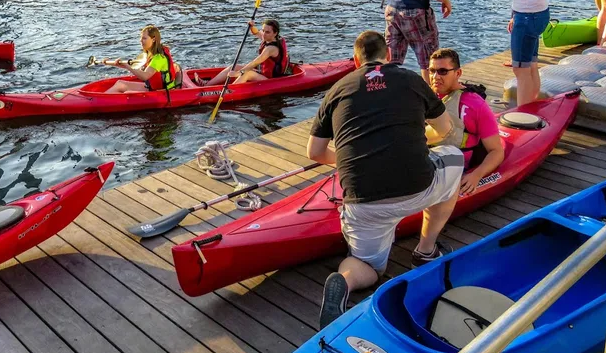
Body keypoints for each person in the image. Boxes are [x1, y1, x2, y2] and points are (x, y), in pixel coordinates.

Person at [307, 31, 463, 328]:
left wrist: (352, 158)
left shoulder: (337, 90)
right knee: (454, 158)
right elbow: (444, 130)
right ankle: (426, 250)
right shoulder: (411, 79)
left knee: (367, 266)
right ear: (389, 56)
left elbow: (314, 152)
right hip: (417, 187)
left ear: (356, 61)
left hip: (363, 203)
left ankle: (344, 281)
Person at [428, 48, 505, 196]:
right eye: (432, 71)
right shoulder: (427, 98)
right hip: (428, 157)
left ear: (458, 73)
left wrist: (476, 175)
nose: (435, 77)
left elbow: (496, 151)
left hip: (454, 166)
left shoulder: (476, 105)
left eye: (443, 71)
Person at [197, 18, 290, 87]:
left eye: (267, 32)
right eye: (263, 30)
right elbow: (256, 33)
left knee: (247, 73)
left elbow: (255, 62)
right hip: (262, 72)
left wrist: (238, 73)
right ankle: (207, 85)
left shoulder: (271, 49)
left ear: (275, 33)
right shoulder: (268, 37)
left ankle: (228, 91)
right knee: (234, 67)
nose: (264, 34)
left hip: (271, 80)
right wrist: (252, 26)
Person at [104, 25, 184, 93]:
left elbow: (145, 76)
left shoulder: (159, 58)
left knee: (120, 85)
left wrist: (127, 66)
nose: (140, 40)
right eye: (141, 38)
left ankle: (101, 101)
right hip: (153, 88)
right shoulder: (149, 54)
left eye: (144, 38)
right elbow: (135, 67)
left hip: (162, 92)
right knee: (120, 83)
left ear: (153, 40)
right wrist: (116, 64)